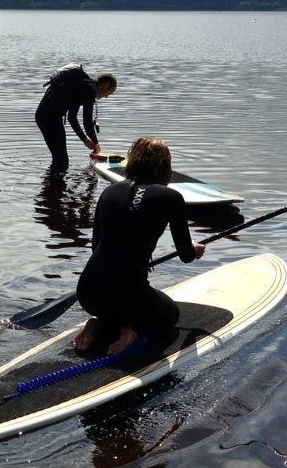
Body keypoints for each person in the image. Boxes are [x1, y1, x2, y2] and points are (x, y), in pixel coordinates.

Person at [74, 136, 206, 355]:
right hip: (130, 298)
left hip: (88, 293)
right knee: (170, 314)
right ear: (165, 167)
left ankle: (96, 324)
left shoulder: (109, 192)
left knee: (116, 299)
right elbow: (186, 255)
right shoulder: (171, 197)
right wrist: (195, 249)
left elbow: (96, 246)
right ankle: (130, 329)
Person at [35, 64, 116, 173]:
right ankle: (55, 185)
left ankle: (54, 184)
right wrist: (96, 145)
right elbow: (87, 123)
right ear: (106, 85)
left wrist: (85, 139)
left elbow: (72, 118)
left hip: (46, 116)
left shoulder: (82, 86)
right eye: (109, 93)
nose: (106, 97)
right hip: (50, 118)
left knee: (60, 159)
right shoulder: (89, 90)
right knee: (62, 160)